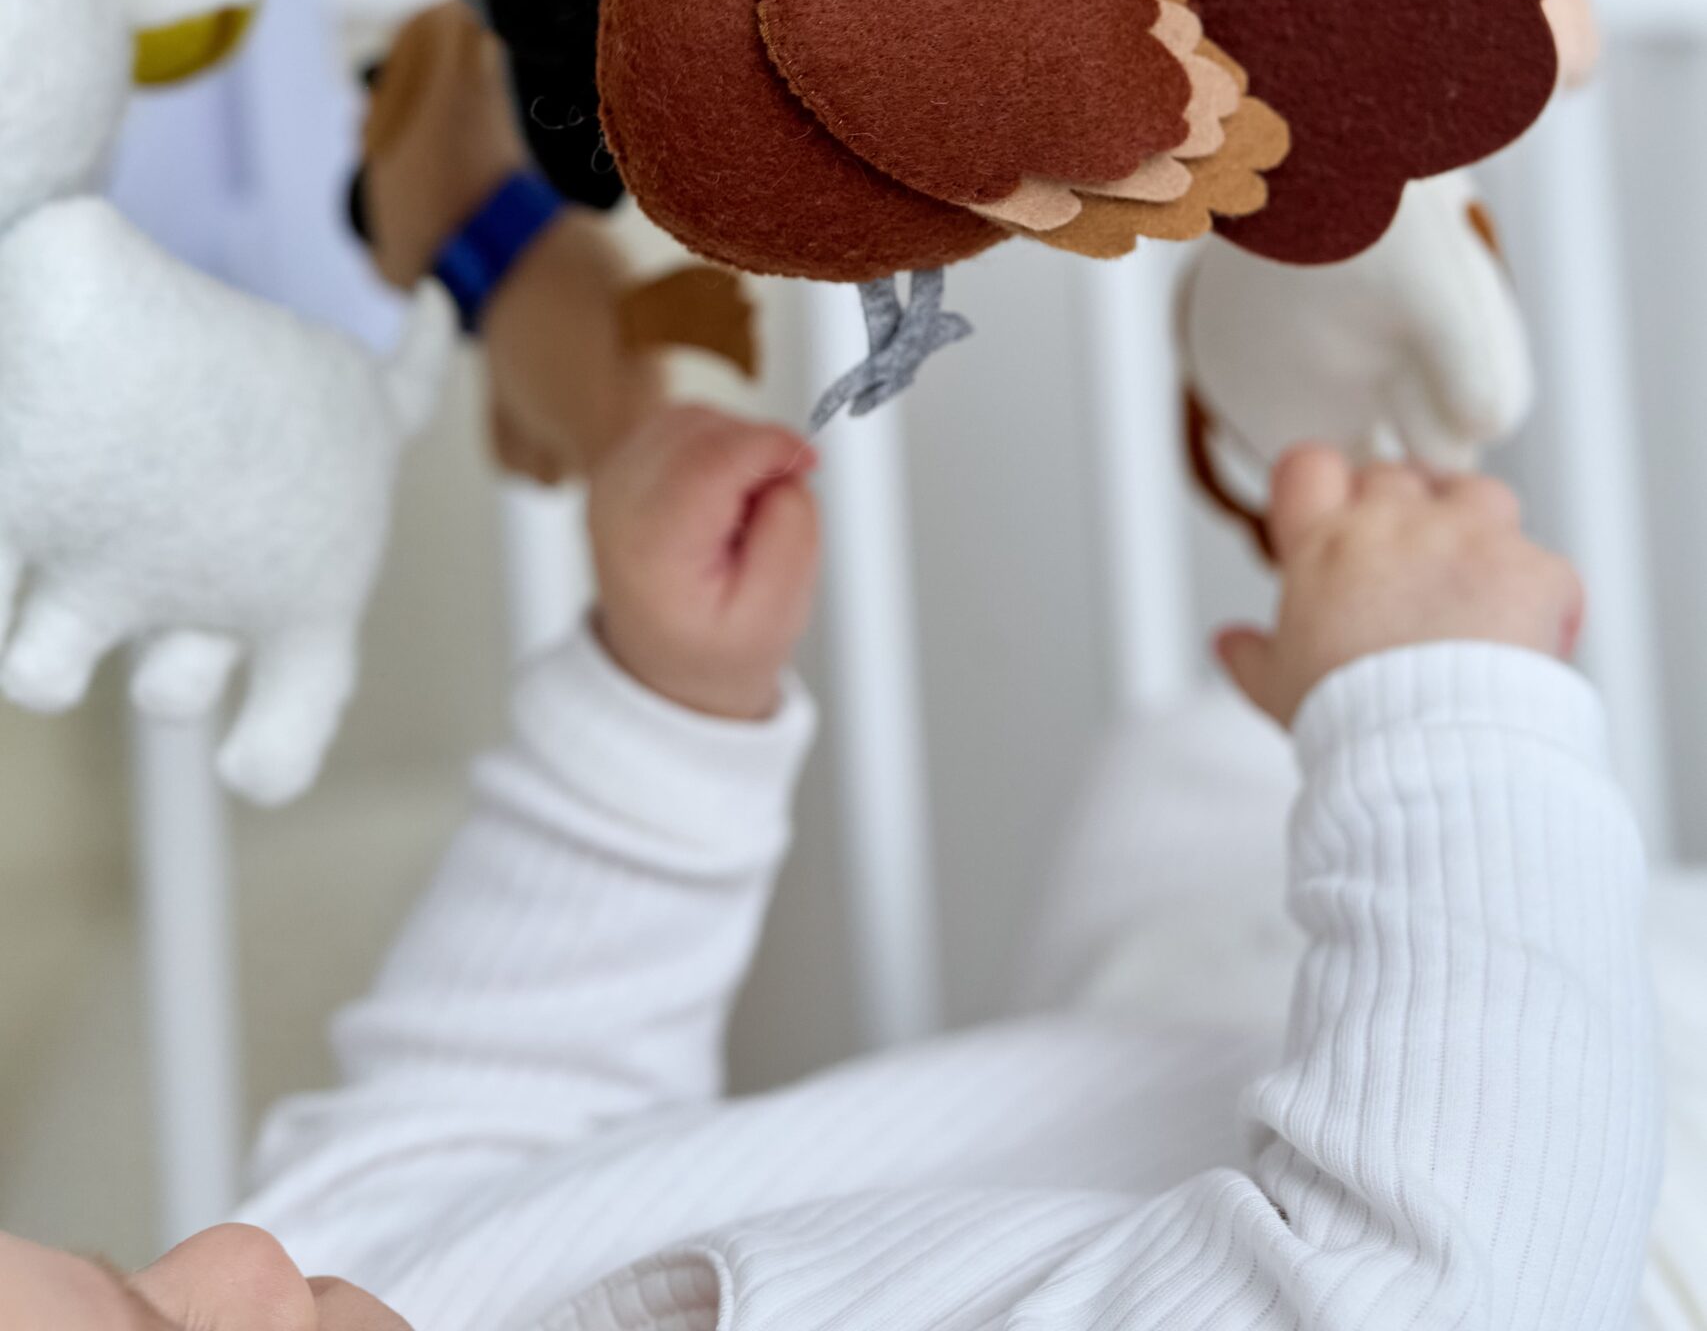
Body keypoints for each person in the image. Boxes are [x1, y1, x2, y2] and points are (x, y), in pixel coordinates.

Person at [0, 407, 1660, 1330]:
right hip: (1612, 1205)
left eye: (116, 1275)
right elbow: (1453, 1293)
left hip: (1178, 1075)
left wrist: (661, 706)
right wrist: (1441, 699)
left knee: (1176, 777)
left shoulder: (340, 1279)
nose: (229, 1256)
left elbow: (497, 1073)